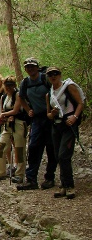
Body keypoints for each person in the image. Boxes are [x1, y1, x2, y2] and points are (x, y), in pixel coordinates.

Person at [17, 57, 57, 190]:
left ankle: (49, 178)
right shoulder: (25, 83)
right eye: (28, 67)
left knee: (51, 148)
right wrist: (28, 110)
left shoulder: (45, 79)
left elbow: (55, 92)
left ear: (37, 67)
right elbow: (21, 98)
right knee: (34, 147)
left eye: (32, 66)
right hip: (37, 119)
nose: (30, 69)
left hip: (50, 118)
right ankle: (31, 179)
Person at [46, 67, 84, 199]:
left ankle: (69, 186)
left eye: (55, 73)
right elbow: (49, 115)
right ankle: (63, 185)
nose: (53, 76)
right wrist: (53, 113)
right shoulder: (49, 93)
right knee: (58, 155)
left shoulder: (68, 87)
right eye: (50, 74)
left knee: (64, 155)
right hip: (56, 126)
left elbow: (80, 103)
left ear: (60, 75)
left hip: (68, 124)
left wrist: (75, 117)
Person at [0, 76, 27, 183]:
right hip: (7, 125)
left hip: (19, 124)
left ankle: (20, 174)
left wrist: (3, 115)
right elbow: (1, 111)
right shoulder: (3, 97)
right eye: (7, 85)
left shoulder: (18, 95)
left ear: (14, 85)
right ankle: (1, 172)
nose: (9, 87)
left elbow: (16, 110)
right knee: (0, 148)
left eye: (11, 85)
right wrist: (2, 117)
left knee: (19, 149)